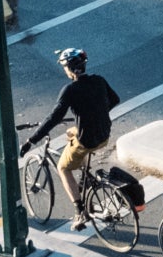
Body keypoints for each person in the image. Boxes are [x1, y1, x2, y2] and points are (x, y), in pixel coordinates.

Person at [23, 49, 119, 220]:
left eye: (65, 67)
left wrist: (32, 140)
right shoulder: (99, 80)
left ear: (69, 68)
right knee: (70, 132)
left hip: (88, 140)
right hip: (104, 134)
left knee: (63, 168)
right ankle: (84, 172)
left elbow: (53, 118)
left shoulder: (70, 90)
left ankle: (79, 211)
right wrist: (97, 114)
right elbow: (115, 99)